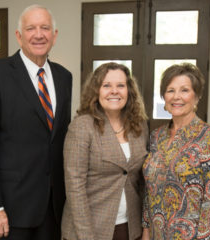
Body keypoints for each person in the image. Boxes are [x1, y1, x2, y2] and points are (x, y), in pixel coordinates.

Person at [0, 4, 72, 240]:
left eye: (45, 28)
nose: (39, 34)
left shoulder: (64, 77)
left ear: (54, 36)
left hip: (53, 207)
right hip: (9, 209)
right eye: (31, 28)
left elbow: (58, 139)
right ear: (18, 35)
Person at [61, 62, 148, 240]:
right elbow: (74, 188)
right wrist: (86, 236)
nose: (114, 91)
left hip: (131, 228)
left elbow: (142, 181)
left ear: (129, 91)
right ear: (96, 91)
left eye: (120, 86)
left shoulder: (139, 126)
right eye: (106, 85)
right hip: (90, 229)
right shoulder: (82, 127)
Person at [142, 63, 210, 240]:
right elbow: (149, 191)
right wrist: (146, 231)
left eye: (184, 90)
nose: (176, 97)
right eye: (170, 90)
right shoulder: (156, 136)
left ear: (196, 97)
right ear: (164, 97)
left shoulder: (209, 137)